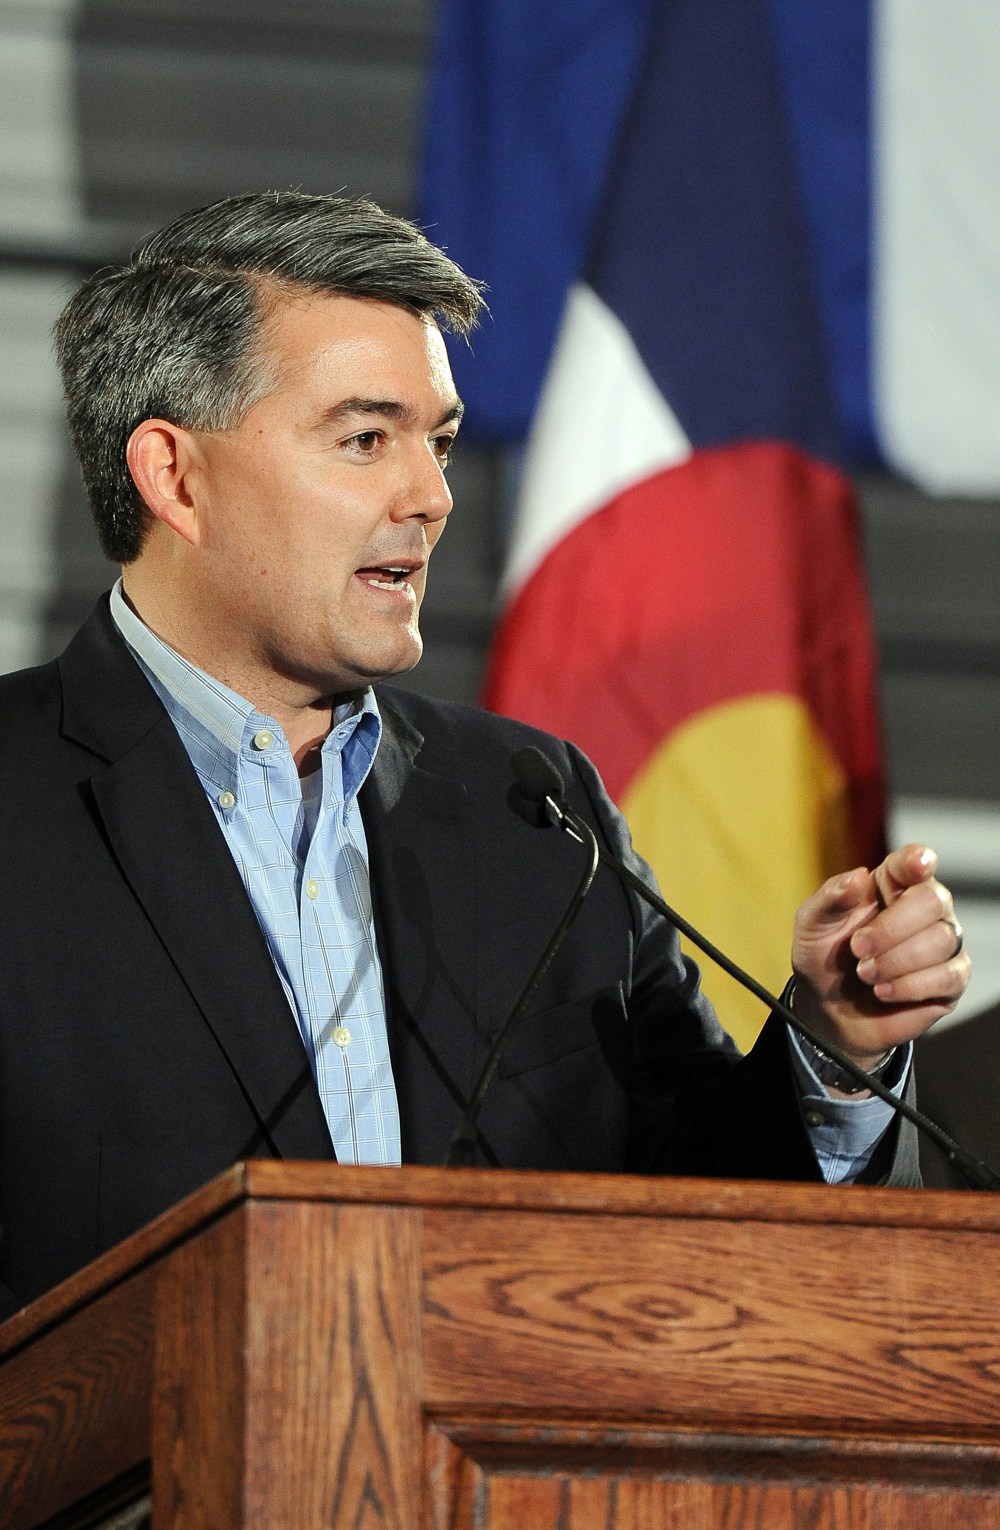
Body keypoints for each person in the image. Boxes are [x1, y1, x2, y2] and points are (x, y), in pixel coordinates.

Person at [0, 193, 969, 1312]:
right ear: (176, 478)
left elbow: (695, 1214)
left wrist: (831, 1040)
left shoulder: (531, 809)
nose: (432, 496)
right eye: (366, 439)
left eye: (439, 442)